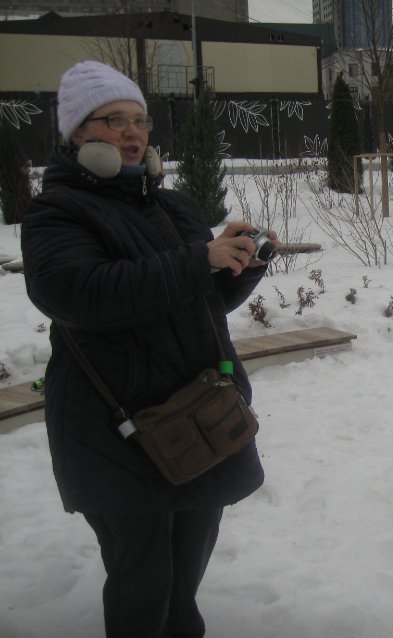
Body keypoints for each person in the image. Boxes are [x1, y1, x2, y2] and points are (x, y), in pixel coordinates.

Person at [22, 60, 281, 638]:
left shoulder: (173, 206)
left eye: (139, 119)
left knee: (184, 575)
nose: (133, 133)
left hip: (199, 417)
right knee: (144, 581)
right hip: (117, 428)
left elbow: (196, 299)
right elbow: (76, 295)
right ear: (77, 135)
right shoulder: (56, 212)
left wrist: (241, 264)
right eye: (113, 120)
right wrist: (198, 259)